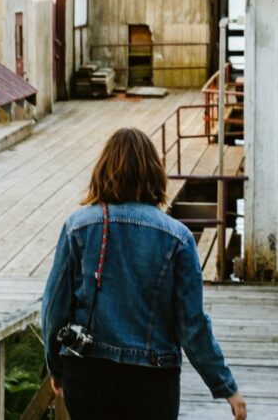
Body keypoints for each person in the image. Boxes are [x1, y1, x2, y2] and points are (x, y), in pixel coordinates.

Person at [42, 128, 246, 420]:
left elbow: (53, 309)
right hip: (153, 380)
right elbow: (192, 325)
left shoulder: (77, 227)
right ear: (154, 173)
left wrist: (56, 365)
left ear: (103, 169)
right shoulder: (178, 238)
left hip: (88, 373)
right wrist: (225, 386)